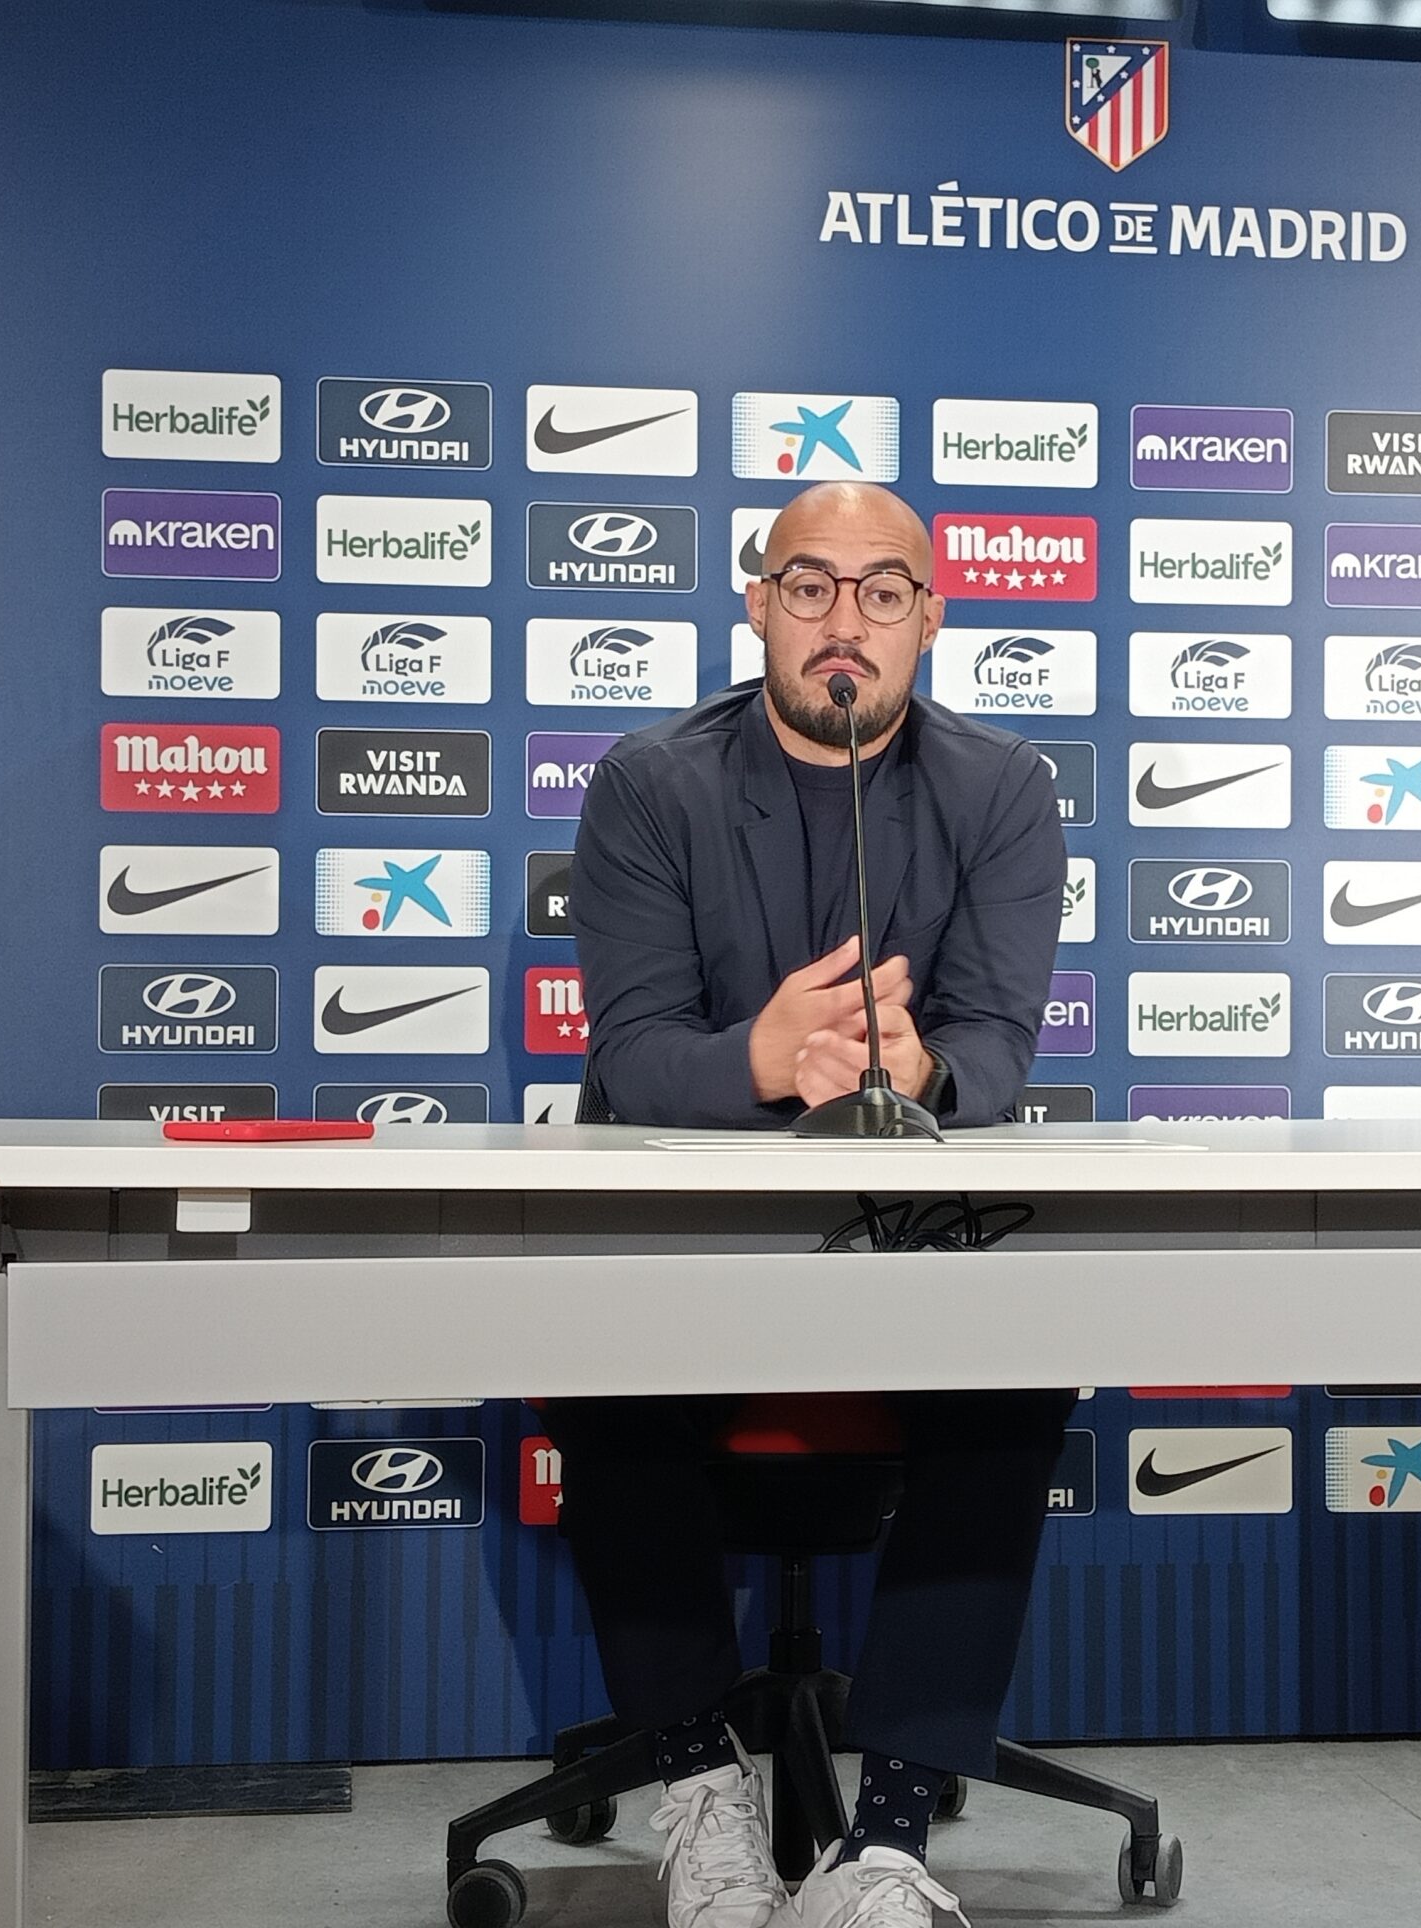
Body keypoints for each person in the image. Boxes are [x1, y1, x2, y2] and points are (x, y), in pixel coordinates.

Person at [551, 479, 1072, 1928]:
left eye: (882, 591)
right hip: (691, 1241)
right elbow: (631, 1054)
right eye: (810, 586)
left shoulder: (1001, 790)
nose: (846, 623)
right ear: (759, 603)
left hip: (903, 1241)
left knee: (1021, 1366)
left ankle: (887, 1845)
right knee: (592, 1343)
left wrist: (927, 1068)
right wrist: (763, 1060)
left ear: (931, 617)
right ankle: (698, 1790)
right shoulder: (650, 785)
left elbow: (997, 1047)